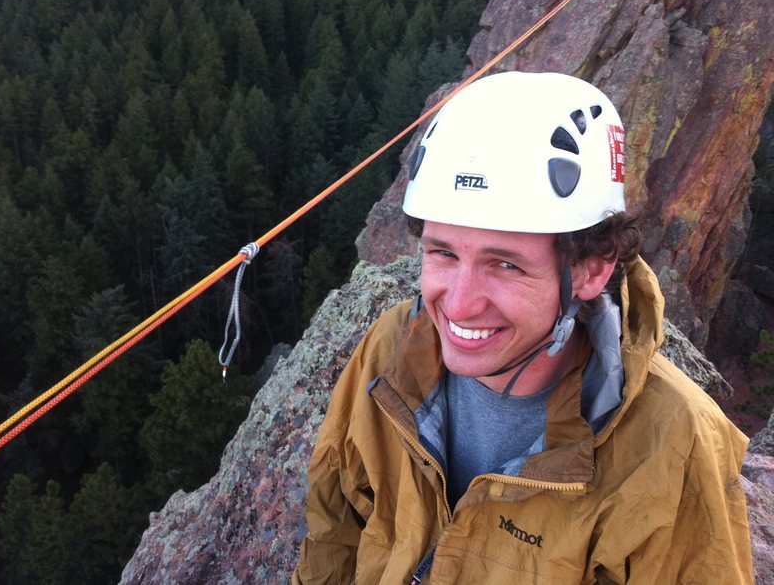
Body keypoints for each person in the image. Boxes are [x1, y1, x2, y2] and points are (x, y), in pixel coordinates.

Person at [292, 72, 753, 584]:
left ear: (592, 269)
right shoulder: (393, 350)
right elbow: (336, 529)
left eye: (505, 265)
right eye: (442, 253)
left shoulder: (671, 444)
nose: (459, 305)